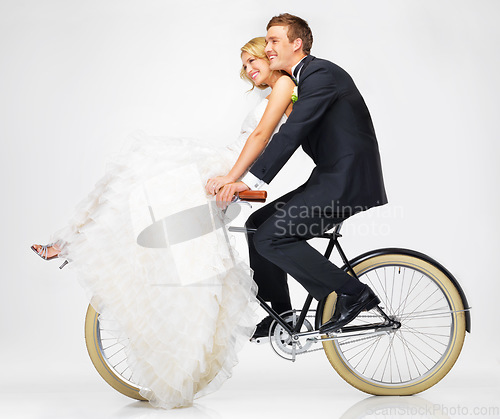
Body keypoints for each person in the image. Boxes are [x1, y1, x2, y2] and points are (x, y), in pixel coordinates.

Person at [31, 37, 296, 409]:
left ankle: (74, 242)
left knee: (138, 170)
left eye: (256, 60)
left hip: (228, 169)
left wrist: (233, 177)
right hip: (228, 167)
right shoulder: (272, 89)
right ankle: (73, 240)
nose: (251, 69)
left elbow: (260, 136)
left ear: (275, 58)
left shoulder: (285, 83)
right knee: (132, 176)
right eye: (246, 64)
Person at [217, 14, 388, 338]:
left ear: (297, 44)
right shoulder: (301, 81)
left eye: (274, 41)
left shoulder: (320, 74)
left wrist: (250, 181)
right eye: (266, 41)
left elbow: (289, 136)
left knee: (271, 237)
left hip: (346, 182)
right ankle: (279, 314)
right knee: (257, 226)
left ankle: (351, 292)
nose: (268, 47)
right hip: (329, 178)